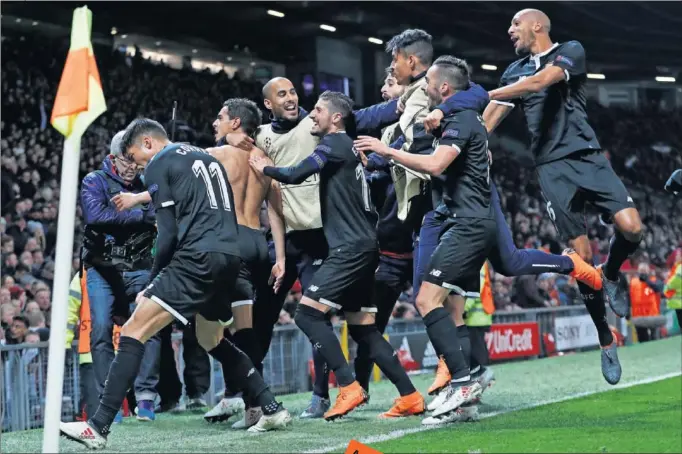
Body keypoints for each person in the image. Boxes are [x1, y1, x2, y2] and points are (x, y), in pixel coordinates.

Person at [426, 8, 639, 385]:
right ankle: (606, 340)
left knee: (632, 228)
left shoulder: (569, 51)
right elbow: (487, 120)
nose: (510, 31)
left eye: (515, 25)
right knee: (580, 259)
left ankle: (612, 273)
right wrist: (471, 139)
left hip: (587, 156)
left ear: (536, 26)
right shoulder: (513, 71)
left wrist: (480, 92)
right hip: (551, 168)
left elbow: (540, 83)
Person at [60, 119, 291, 450]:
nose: (137, 163)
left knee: (133, 330)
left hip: (196, 258)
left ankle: (97, 427)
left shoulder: (160, 163)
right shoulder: (207, 157)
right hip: (229, 256)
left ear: (149, 143)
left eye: (135, 154)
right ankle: (270, 406)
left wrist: (153, 281)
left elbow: (166, 233)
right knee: (210, 337)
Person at [250, 91, 425, 420]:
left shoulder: (331, 145)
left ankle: (348, 386)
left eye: (317, 111)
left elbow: (294, 174)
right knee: (362, 328)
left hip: (349, 248)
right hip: (365, 245)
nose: (311, 115)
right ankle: (410, 395)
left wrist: (265, 167)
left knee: (306, 315)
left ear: (335, 119)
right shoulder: (346, 148)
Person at [355, 56, 497, 425]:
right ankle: (465, 393)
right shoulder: (452, 116)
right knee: (441, 304)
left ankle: (463, 380)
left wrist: (387, 151)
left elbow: (435, 166)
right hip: (460, 221)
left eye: (429, 83)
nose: (426, 88)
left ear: (444, 88)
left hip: (467, 223)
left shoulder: (461, 117)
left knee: (428, 298)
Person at [79, 131, 160, 421]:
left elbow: (160, 214)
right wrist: (139, 215)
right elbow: (96, 216)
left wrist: (140, 207)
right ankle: (108, 404)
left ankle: (146, 398)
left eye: (135, 162)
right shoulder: (94, 180)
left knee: (149, 326)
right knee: (100, 331)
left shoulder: (148, 182)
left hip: (139, 266)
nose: (132, 168)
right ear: (114, 157)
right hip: (102, 268)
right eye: (127, 161)